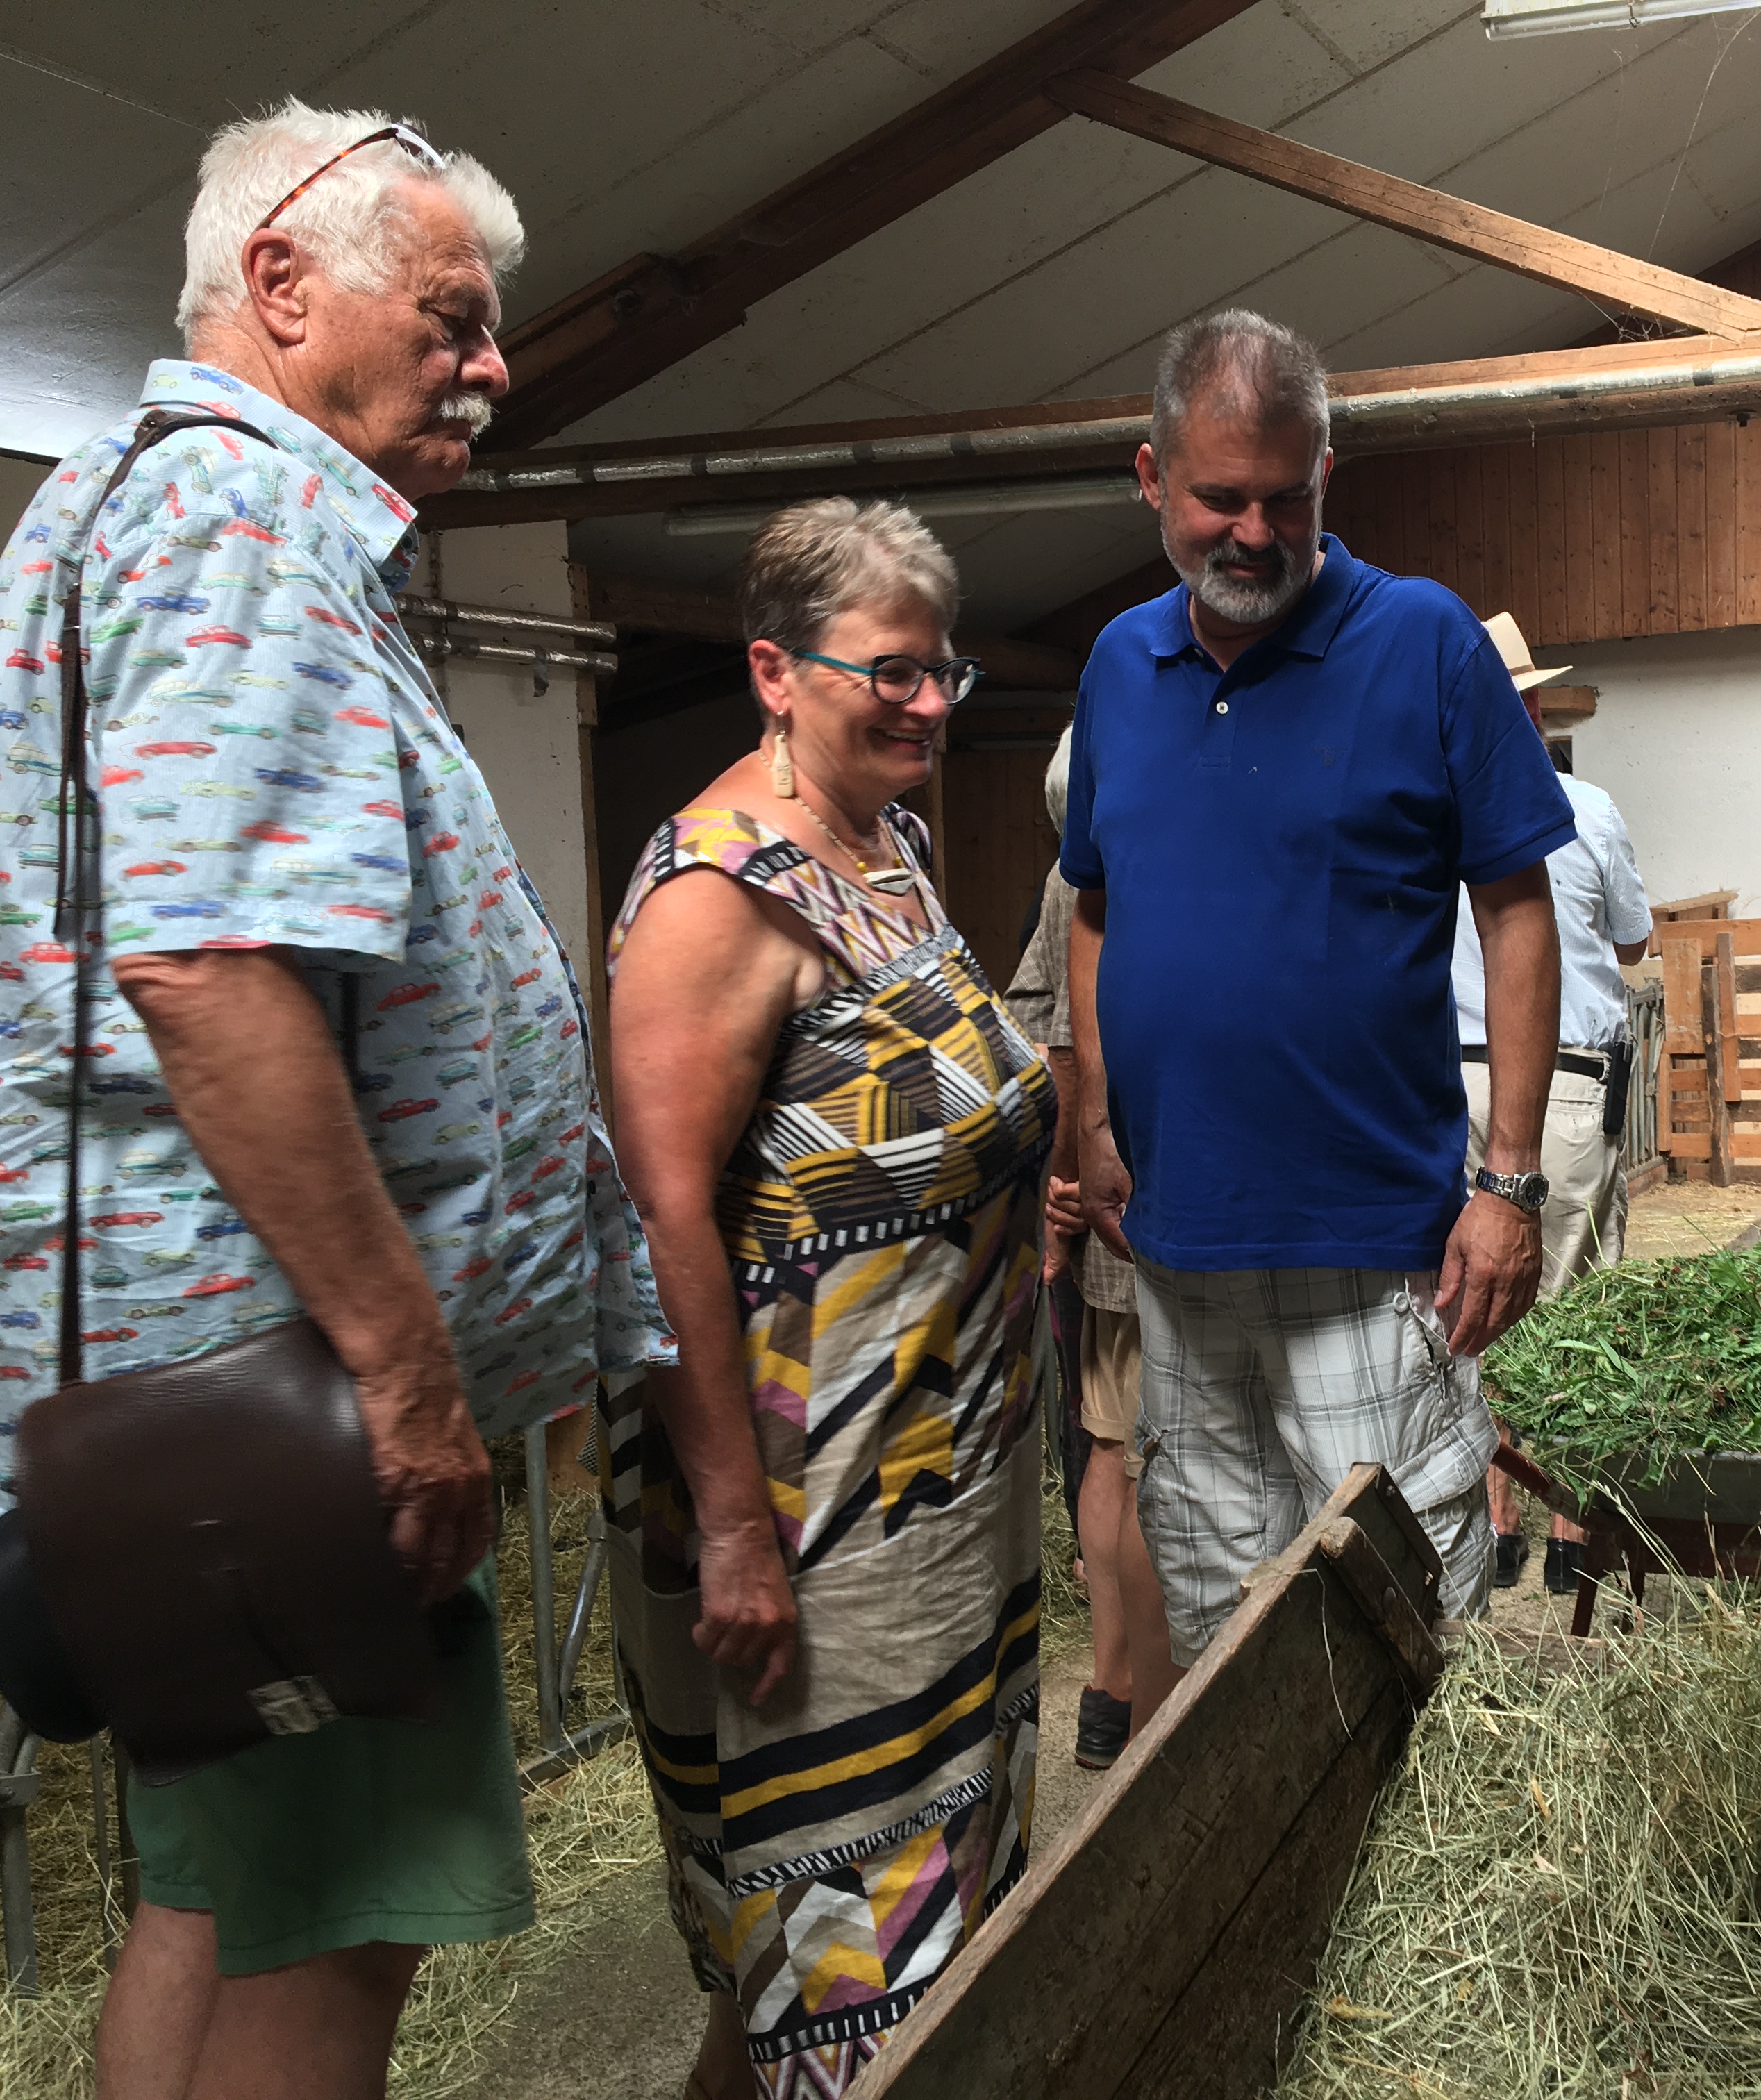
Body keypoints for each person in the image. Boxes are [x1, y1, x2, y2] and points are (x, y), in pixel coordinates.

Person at [0, 102, 665, 2099]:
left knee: (216, 1898)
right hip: (280, 1411)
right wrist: (404, 1376)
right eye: (450, 313)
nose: (493, 361)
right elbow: (208, 970)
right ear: (281, 283)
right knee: (341, 1933)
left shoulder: (123, 507)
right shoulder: (232, 520)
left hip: (184, 1395)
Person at [605, 497, 1055, 2099]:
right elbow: (660, 1221)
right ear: (773, 673)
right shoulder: (718, 896)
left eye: (948, 674)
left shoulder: (895, 848)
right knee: (846, 1954)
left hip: (941, 1491)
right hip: (810, 1515)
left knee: (897, 1928)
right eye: (892, 674)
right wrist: (731, 1526)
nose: (931, 705)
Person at [1062, 310, 1573, 1656]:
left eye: (1284, 499)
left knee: (1400, 1611)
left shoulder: (1425, 641)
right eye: (1219, 498)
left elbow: (1517, 909)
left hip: (1369, 1251)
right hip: (1178, 1254)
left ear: (1326, 474)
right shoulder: (1119, 665)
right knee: (1227, 1616)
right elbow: (1094, 911)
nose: (1252, 532)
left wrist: (1508, 1183)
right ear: (1150, 478)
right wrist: (1098, 1122)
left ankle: (1409, 1866)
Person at [1453, 612, 1652, 1594]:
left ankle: (1494, 1525)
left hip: (1447, 1075)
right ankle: (1571, 1528)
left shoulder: (1422, 809)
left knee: (1473, 1300)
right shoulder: (1583, 805)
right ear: (1529, 708)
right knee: (1572, 1302)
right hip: (1564, 1074)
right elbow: (1630, 943)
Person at [1008, 724, 1183, 1767]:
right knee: (1148, 1448)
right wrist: (1063, 1191)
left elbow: (1044, 1037)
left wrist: (1062, 1188)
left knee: (1115, 1443)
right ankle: (1152, 1698)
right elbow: (1058, 1045)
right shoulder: (1105, 874)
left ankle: (1113, 1689)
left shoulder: (1073, 879)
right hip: (1146, 1200)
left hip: (1114, 1198)